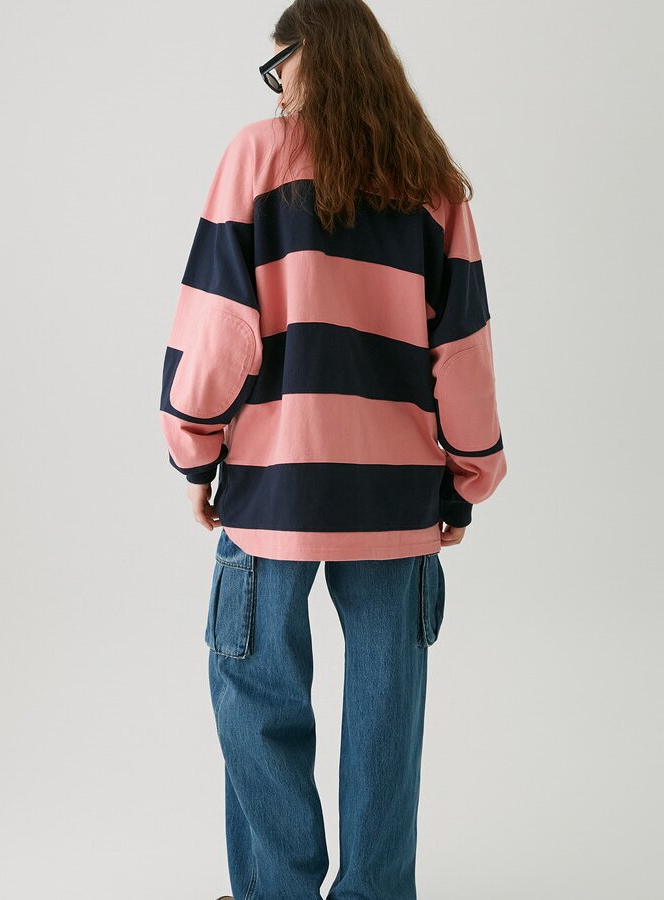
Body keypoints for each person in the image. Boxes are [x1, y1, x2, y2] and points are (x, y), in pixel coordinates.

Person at [158, 1, 507, 896]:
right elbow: (462, 351)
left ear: (311, 56)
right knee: (389, 716)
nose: (277, 90)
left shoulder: (259, 156)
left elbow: (220, 328)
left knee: (258, 698)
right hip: (397, 496)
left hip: (273, 487)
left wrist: (195, 449)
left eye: (279, 67)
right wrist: (466, 478)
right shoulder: (432, 181)